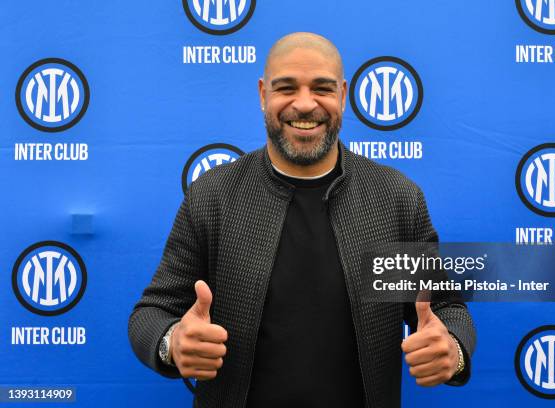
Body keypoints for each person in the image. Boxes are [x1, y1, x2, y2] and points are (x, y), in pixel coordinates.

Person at [128, 32, 476, 408]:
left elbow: (445, 308)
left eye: (322, 88)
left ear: (343, 95)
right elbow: (152, 314)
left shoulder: (394, 199)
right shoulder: (214, 196)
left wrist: (452, 350)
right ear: (263, 95)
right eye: (286, 88)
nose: (305, 104)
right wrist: (172, 342)